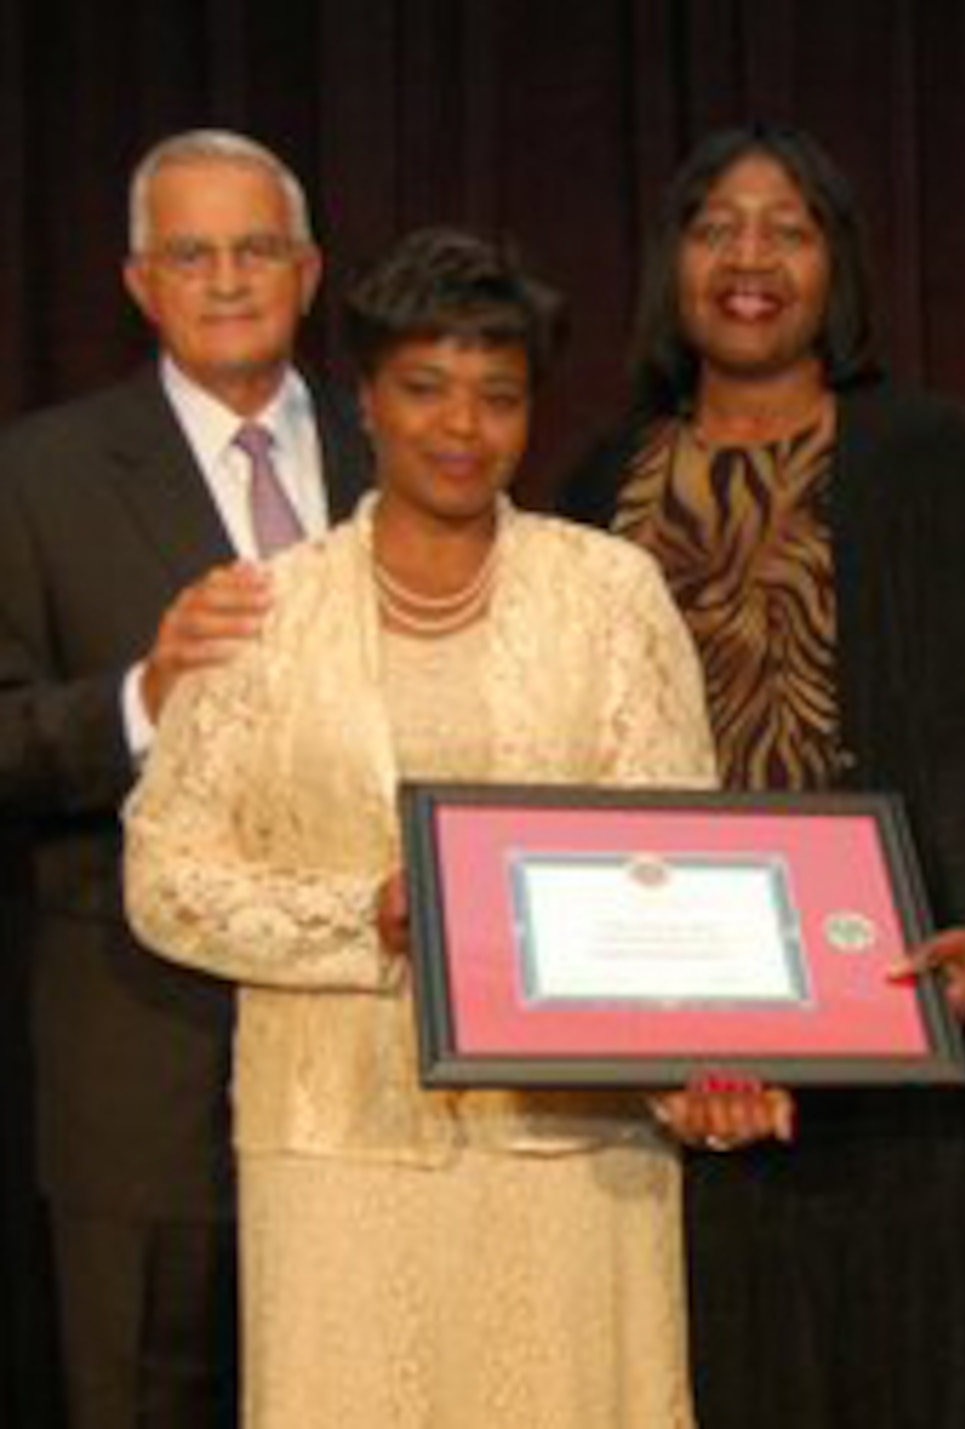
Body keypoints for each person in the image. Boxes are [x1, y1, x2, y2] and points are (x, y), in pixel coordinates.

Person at [123, 227, 716, 1428]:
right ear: (366, 400)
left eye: (498, 396)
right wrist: (372, 915)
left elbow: (679, 862)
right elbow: (165, 875)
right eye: (426, 389)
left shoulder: (608, 593)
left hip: (572, 1147)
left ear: (531, 412)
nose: (462, 426)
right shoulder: (264, 609)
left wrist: (695, 1058)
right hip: (332, 1139)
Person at [563, 123, 965, 1427]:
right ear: (674, 264)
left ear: (839, 265)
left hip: (889, 984)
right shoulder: (601, 478)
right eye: (717, 225)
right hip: (668, 996)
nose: (751, 256)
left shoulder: (924, 450)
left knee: (902, 1353)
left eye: (789, 226)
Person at [0, 128, 370, 1428]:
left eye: (256, 248)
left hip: (369, 1049)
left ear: (310, 271)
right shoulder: (37, 474)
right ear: (137, 282)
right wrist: (142, 701)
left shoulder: (407, 451)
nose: (226, 279)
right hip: (138, 1052)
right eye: (190, 253)